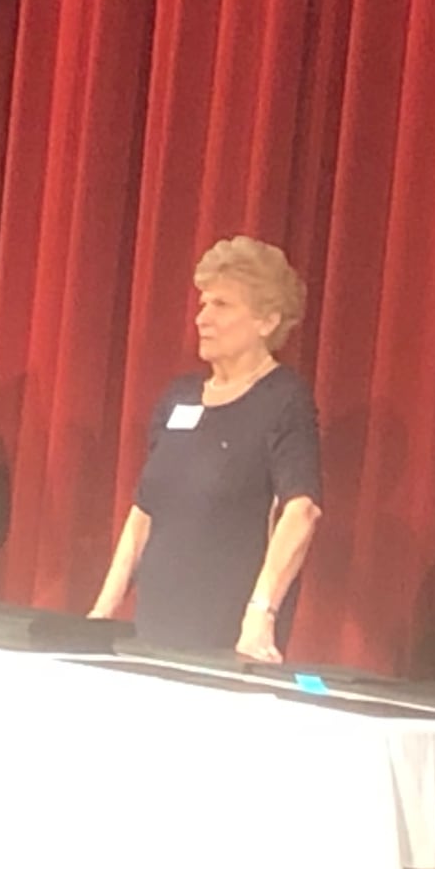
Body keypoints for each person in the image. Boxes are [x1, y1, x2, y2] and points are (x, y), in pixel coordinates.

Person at [88, 236, 322, 661]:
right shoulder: (179, 398)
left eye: (222, 305)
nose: (202, 318)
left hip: (225, 636)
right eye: (202, 304)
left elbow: (300, 512)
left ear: (267, 321)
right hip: (154, 627)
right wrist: (103, 610)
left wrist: (261, 613)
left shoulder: (283, 399)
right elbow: (144, 512)